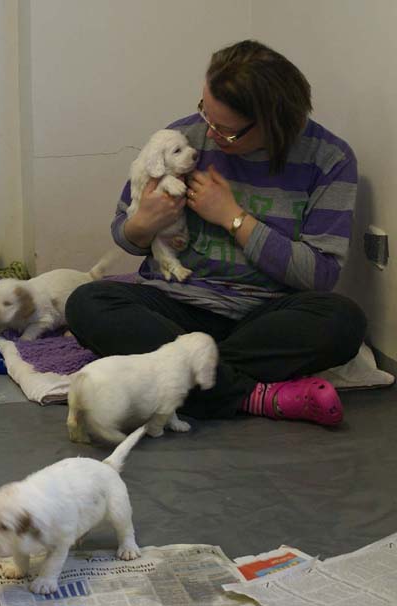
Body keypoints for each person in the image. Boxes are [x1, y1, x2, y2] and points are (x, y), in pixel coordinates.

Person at [65, 39, 367, 426]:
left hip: (263, 317)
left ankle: (184, 378)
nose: (208, 135)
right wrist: (143, 223)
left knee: (344, 321)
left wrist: (233, 217)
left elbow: (320, 275)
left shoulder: (329, 160)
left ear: (275, 122)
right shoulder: (179, 139)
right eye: (204, 113)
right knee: (88, 302)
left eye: (224, 130)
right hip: (176, 304)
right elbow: (126, 234)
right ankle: (251, 394)